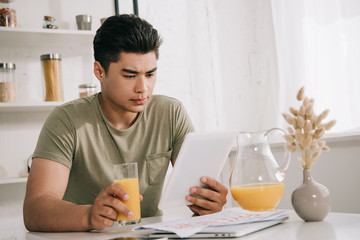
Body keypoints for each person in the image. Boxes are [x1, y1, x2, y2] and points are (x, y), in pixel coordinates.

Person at [23, 14, 228, 232]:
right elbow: (35, 208)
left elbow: (196, 195)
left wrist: (207, 203)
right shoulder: (67, 120)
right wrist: (90, 215)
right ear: (99, 72)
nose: (143, 88)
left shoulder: (171, 113)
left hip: (149, 236)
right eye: (130, 75)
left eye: (150, 74)